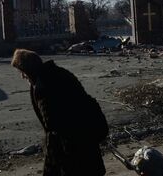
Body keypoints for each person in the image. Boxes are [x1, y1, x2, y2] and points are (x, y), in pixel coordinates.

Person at [11, 48, 108, 176]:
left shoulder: (44, 87)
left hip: (73, 154)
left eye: (22, 72)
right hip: (87, 147)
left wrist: (49, 169)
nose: (22, 76)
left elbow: (54, 131)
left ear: (29, 71)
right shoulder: (59, 73)